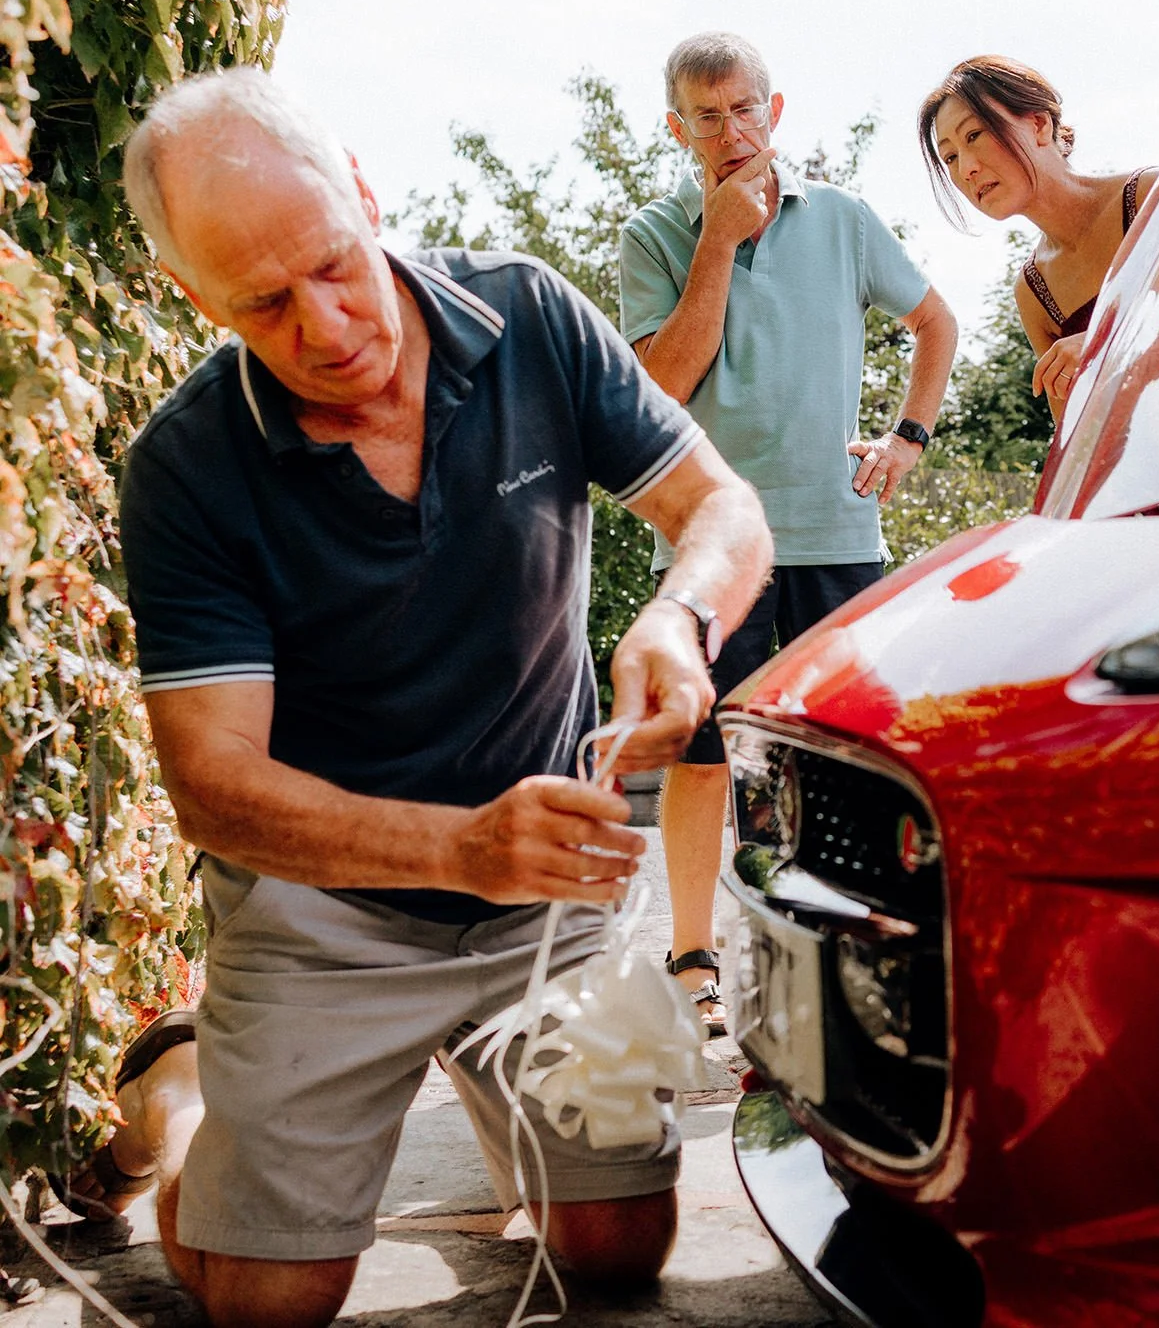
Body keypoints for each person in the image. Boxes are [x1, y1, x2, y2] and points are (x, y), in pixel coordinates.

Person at [70, 68, 774, 1328]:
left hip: (546, 894)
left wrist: (678, 613)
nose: (329, 328)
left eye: (336, 264)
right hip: (324, 911)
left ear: (363, 191)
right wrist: (457, 847)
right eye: (265, 305)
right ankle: (178, 1096)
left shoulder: (531, 317)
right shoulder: (184, 468)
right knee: (265, 1304)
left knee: (618, 1253)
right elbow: (214, 787)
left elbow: (721, 509)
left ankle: (516, 1116)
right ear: (196, 301)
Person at [619, 31, 957, 1032]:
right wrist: (717, 238)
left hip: (835, 530)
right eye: (707, 116)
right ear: (676, 127)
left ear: (776, 111)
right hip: (708, 547)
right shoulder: (653, 233)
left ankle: (842, 959)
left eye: (745, 110)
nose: (730, 133)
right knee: (700, 756)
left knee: (844, 762)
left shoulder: (844, 220)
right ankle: (692, 961)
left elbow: (937, 325)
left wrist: (908, 436)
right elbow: (662, 385)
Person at [918, 56, 1159, 494]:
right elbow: (1078, 444)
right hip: (1148, 496)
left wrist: (1105, 343)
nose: (964, 168)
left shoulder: (1149, 196)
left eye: (974, 135)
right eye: (949, 157)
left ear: (1040, 125)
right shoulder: (1033, 291)